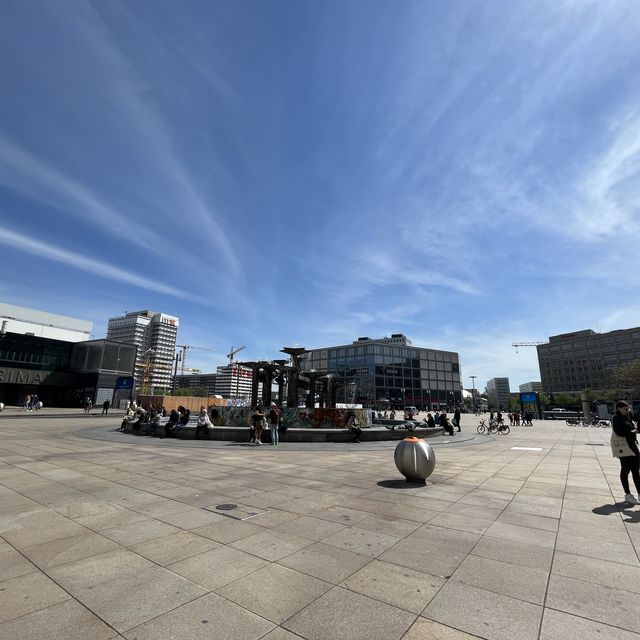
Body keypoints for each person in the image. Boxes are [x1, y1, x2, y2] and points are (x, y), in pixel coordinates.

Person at [611, 400, 640, 505]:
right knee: (625, 470)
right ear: (618, 408)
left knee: (636, 471)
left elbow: (634, 424)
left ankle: (639, 493)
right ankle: (627, 494)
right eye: (625, 409)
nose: (627, 411)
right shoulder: (616, 418)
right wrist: (634, 432)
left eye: (628, 409)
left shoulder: (628, 417)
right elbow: (619, 432)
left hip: (632, 446)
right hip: (624, 448)